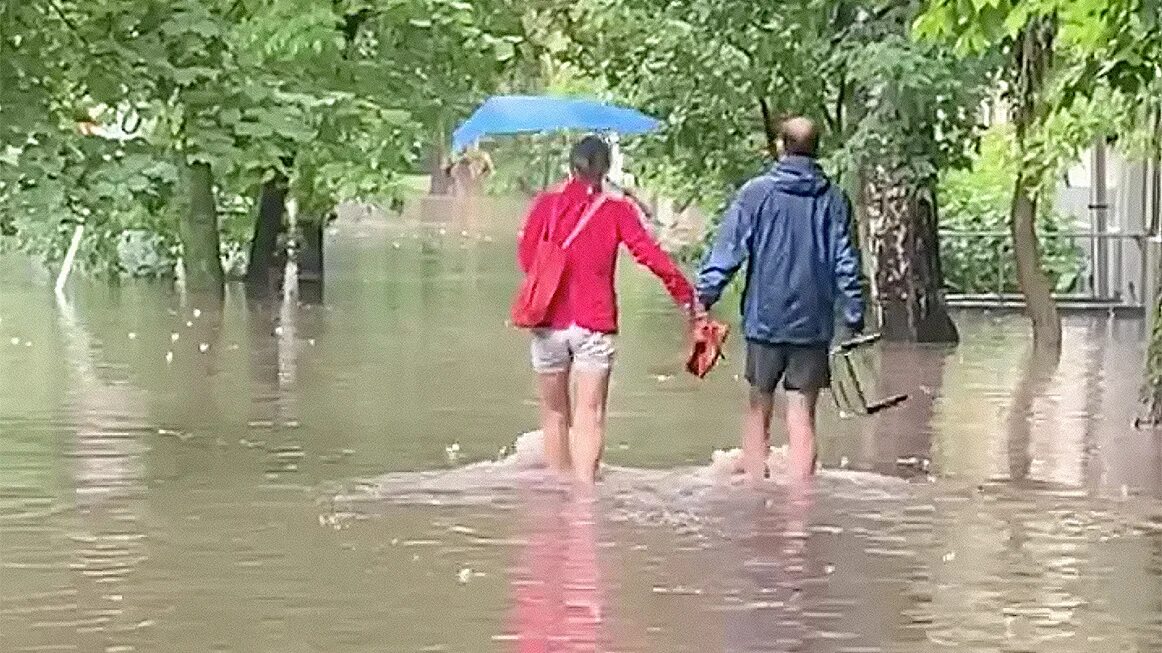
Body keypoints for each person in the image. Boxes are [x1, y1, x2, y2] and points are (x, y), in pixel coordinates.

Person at [517, 135, 695, 486]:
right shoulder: (617, 210)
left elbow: (526, 259)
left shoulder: (546, 204)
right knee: (590, 412)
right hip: (593, 324)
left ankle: (558, 491)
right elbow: (648, 254)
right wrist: (684, 292)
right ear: (606, 168)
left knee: (554, 412)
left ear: (571, 166)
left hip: (547, 321)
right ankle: (584, 497)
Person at [695, 117, 864, 483]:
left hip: (765, 321)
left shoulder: (756, 194)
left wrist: (705, 295)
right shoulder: (834, 200)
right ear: (817, 149)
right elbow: (846, 261)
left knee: (758, 407)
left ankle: (757, 492)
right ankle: (800, 507)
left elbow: (729, 249)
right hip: (813, 324)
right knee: (802, 413)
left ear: (781, 147)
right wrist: (853, 313)